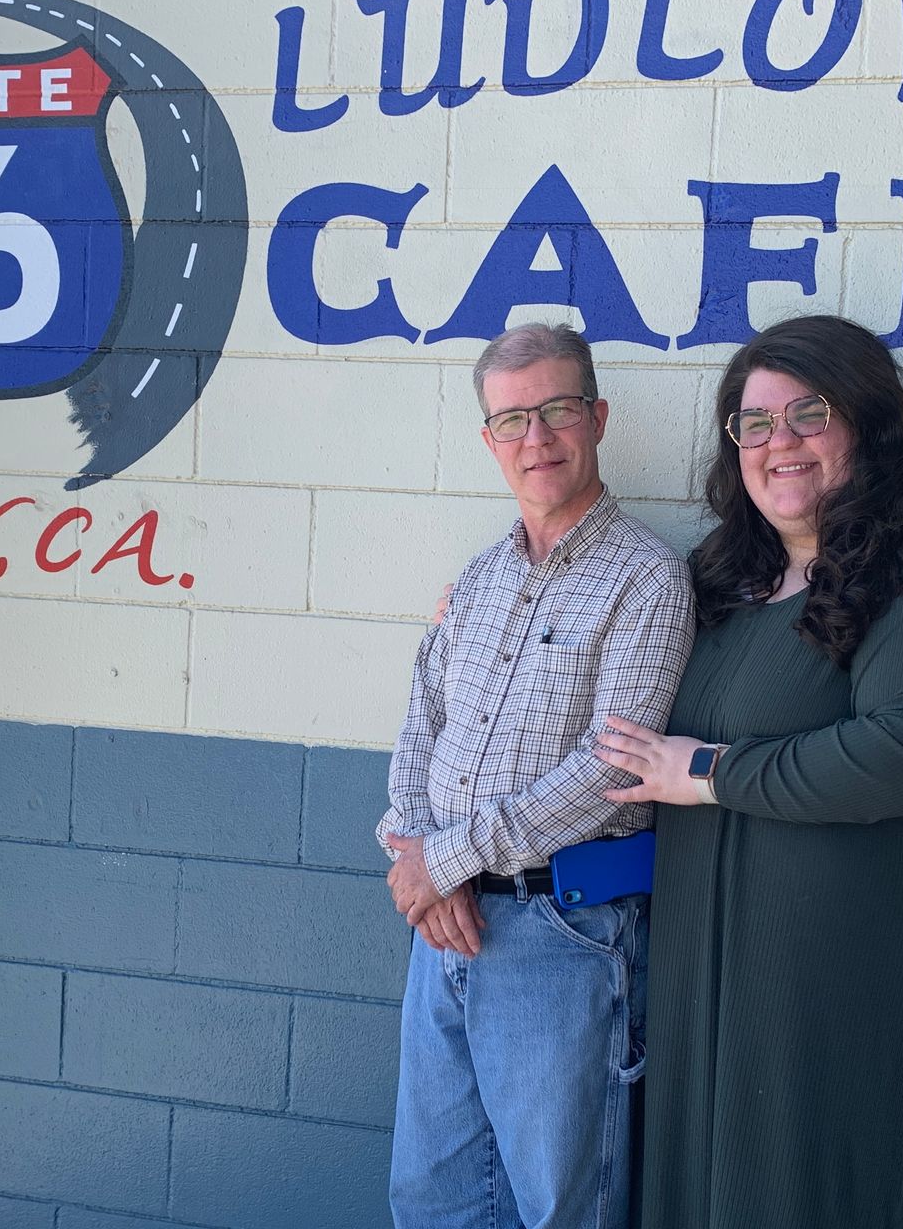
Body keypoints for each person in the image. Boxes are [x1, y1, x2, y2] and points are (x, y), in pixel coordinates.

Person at [593, 316, 903, 1229]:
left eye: (808, 413)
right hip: (707, 984)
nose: (778, 442)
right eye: (754, 423)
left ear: (867, 425)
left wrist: (713, 773)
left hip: (848, 992)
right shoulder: (725, 578)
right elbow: (610, 672)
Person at [378, 321, 695, 1229]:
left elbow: (611, 767)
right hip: (444, 933)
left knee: (561, 1206)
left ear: (596, 417)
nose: (537, 438)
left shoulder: (646, 579)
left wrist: (445, 860)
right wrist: (417, 858)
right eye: (512, 419)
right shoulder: (477, 581)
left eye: (557, 410)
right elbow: (419, 730)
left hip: (565, 935)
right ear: (488, 440)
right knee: (432, 1200)